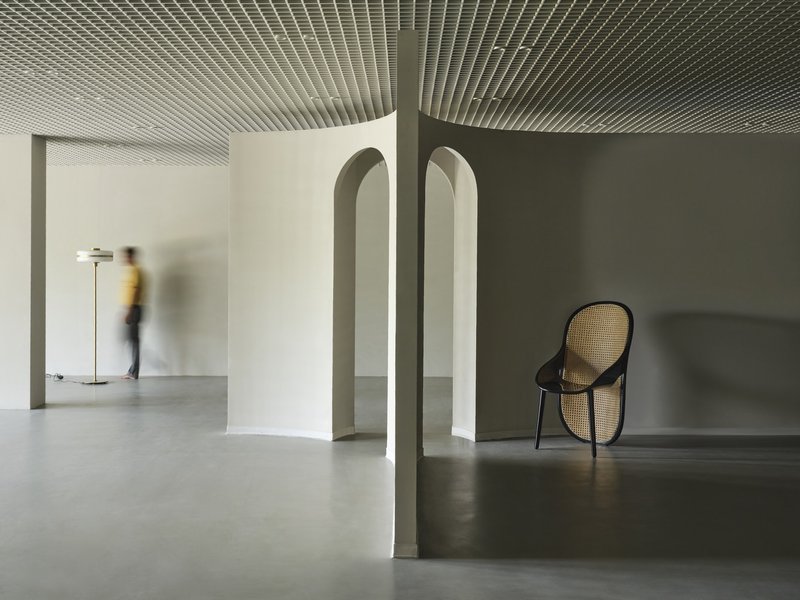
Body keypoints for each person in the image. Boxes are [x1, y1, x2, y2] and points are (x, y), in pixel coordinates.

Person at [120, 246, 146, 379]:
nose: (124, 259)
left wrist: (130, 311)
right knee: (132, 340)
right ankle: (133, 370)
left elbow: (136, 290)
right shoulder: (133, 270)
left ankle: (133, 372)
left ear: (130, 256)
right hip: (132, 308)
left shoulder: (135, 270)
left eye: (126, 256)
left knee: (134, 341)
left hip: (134, 309)